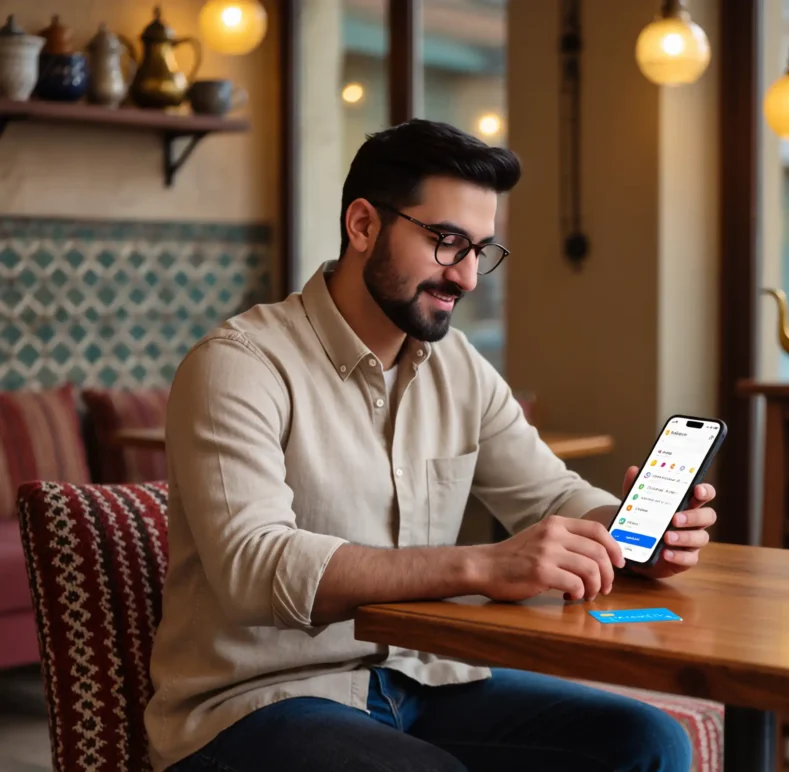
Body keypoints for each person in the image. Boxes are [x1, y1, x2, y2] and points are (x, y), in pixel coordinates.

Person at [146, 119, 717, 772]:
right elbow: (254, 567)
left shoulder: (457, 367)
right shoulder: (239, 364)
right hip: (257, 704)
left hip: (426, 679)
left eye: (481, 249)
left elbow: (551, 493)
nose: (469, 277)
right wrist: (481, 567)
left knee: (649, 744)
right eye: (447, 243)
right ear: (363, 226)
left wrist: (628, 534)